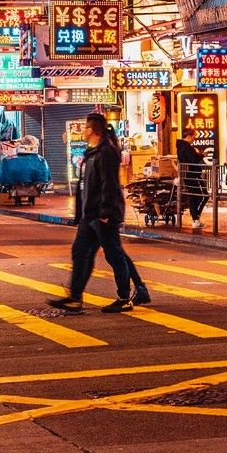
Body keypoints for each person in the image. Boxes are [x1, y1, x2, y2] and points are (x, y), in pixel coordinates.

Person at [49, 113, 150, 313]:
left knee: (114, 255)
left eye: (86, 127)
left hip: (102, 215)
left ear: (92, 130)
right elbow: (85, 186)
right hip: (89, 215)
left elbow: (109, 184)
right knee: (80, 253)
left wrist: (105, 212)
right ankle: (75, 298)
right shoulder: (91, 152)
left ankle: (124, 297)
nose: (83, 130)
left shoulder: (107, 152)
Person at [175, 137, 207, 232]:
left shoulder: (180, 147)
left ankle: (196, 219)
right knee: (204, 195)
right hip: (193, 175)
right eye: (193, 136)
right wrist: (201, 155)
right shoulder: (187, 147)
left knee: (194, 196)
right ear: (189, 136)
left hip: (187, 176)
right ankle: (196, 217)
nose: (194, 139)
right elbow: (193, 160)